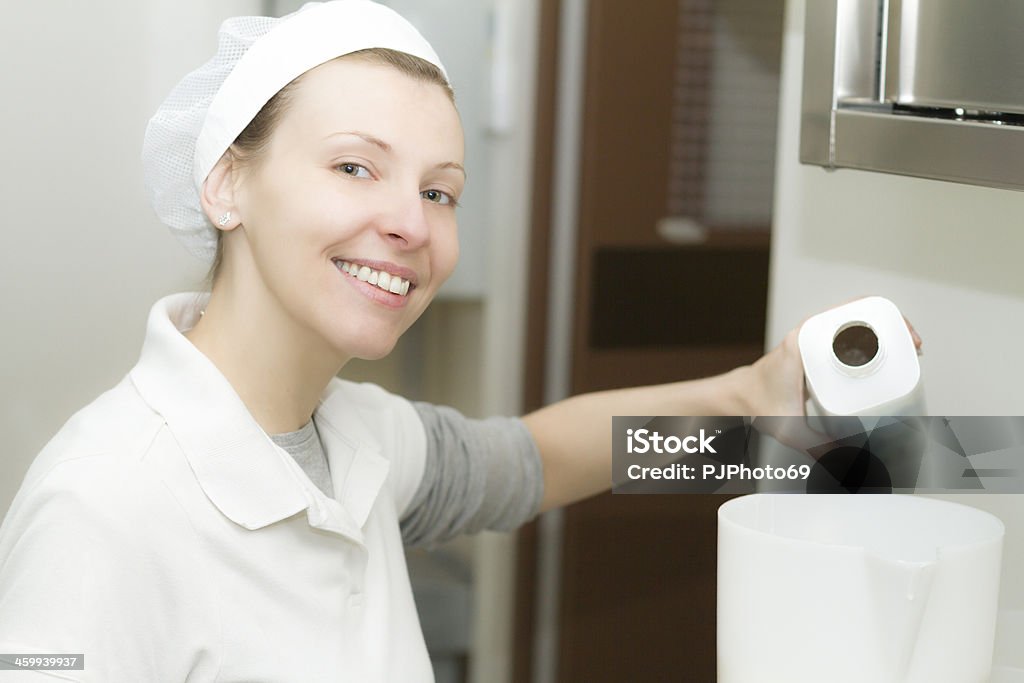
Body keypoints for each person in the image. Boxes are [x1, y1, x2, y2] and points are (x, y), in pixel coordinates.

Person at [0, 1, 872, 680]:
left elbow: (535, 459)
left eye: (440, 191)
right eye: (355, 167)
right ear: (227, 183)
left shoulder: (358, 439)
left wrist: (748, 409)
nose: (410, 224)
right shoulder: (101, 510)